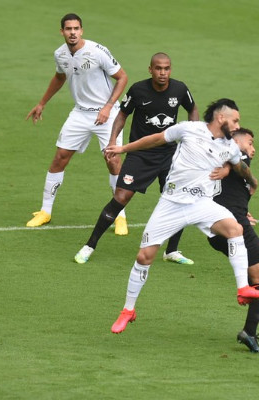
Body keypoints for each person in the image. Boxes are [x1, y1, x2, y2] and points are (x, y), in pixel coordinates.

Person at [105, 98, 259, 335]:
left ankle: (243, 288)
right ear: (221, 118)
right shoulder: (189, 129)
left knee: (235, 229)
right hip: (172, 204)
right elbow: (155, 139)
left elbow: (239, 166)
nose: (237, 126)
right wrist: (122, 149)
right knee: (144, 256)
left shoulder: (231, 146)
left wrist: (252, 181)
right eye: (235, 121)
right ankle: (128, 310)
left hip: (202, 204)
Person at [74, 52, 199, 265]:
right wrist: (112, 141)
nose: (162, 72)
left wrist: (192, 135)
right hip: (140, 154)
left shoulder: (179, 89)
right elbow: (122, 114)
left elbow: (192, 108)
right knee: (121, 197)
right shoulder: (138, 90)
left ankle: (172, 251)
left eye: (166, 68)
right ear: (150, 69)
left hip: (169, 155)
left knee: (178, 198)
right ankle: (89, 246)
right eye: (158, 68)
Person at [25, 13, 128, 234]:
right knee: (59, 158)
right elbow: (59, 77)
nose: (72, 32)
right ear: (61, 31)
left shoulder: (97, 51)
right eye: (68, 29)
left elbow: (122, 77)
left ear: (82, 30)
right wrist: (42, 103)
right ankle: (45, 211)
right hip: (80, 114)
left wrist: (108, 106)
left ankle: (120, 216)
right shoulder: (60, 54)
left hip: (107, 115)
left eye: (76, 28)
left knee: (113, 161)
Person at [208, 127, 259, 353]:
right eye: (250, 142)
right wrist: (252, 180)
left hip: (216, 228)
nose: (253, 149)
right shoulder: (236, 155)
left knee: (253, 272)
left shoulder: (217, 160)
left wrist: (241, 208)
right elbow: (239, 166)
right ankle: (249, 330)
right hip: (235, 227)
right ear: (237, 142)